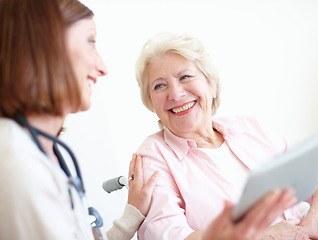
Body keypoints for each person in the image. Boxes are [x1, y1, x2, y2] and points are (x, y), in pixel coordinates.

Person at [0, 1, 296, 240]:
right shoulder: (16, 164)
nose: (102, 67)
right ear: (43, 50)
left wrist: (131, 215)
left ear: (211, 83)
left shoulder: (42, 153)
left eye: (185, 77)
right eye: (90, 42)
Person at [134, 32, 318, 240]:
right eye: (159, 85)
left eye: (185, 77)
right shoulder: (153, 155)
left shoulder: (248, 127)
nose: (176, 94)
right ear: (151, 102)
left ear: (211, 85)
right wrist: (265, 237)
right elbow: (171, 236)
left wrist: (311, 226)